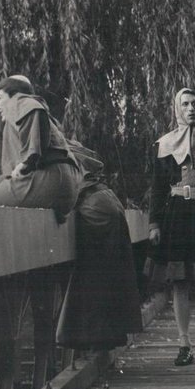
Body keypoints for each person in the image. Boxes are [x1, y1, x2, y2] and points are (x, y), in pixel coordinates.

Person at [146, 88, 195, 366]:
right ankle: (184, 342)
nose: (191, 109)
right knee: (180, 281)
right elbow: (157, 188)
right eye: (185, 104)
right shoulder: (165, 144)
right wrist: (154, 223)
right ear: (177, 109)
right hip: (177, 214)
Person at [56, 139, 143, 350]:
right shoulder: (67, 146)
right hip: (106, 200)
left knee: (93, 274)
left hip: (95, 205)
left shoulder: (60, 151)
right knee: (107, 272)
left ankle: (94, 339)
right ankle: (106, 338)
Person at [0, 75, 79, 222]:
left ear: (15, 94)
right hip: (65, 184)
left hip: (50, 180)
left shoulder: (20, 102)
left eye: (0, 97)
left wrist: (27, 162)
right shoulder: (31, 116)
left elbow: (32, 108)